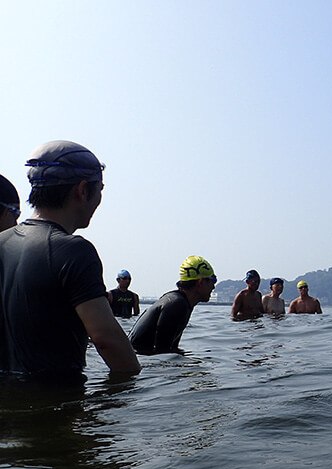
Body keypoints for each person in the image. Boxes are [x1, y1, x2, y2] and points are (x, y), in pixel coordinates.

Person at [0, 140, 140, 379]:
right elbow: (106, 340)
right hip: (53, 396)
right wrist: (134, 386)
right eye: (100, 189)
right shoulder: (74, 251)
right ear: (83, 190)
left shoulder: (2, 241)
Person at [129, 256, 216, 354]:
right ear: (201, 282)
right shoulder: (177, 305)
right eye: (213, 280)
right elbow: (163, 353)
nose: (214, 287)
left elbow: (169, 348)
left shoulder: (181, 302)